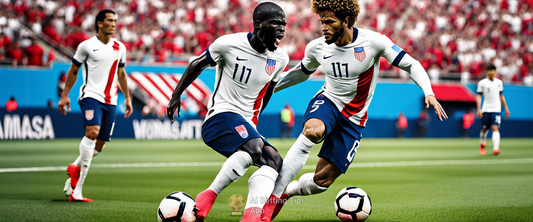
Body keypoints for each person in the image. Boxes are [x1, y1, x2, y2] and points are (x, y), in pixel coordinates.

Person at [261, 0, 448, 221]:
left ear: (346, 21)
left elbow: (411, 64)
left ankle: (288, 191)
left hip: (354, 119)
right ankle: (271, 201)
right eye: (322, 22)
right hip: (328, 101)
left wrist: (428, 91)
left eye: (329, 22)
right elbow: (302, 71)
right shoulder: (317, 47)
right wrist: (270, 88)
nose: (323, 27)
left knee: (322, 182)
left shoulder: (374, 42)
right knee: (313, 130)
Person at [166, 2, 289, 222]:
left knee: (274, 161)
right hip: (219, 117)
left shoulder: (280, 59)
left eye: (284, 25)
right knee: (254, 147)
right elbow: (197, 64)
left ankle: (250, 216)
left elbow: (268, 90)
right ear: (258, 24)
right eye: (275, 23)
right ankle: (208, 196)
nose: (281, 29)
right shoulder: (228, 44)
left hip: (245, 123)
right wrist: (176, 96)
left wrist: (255, 118)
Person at [58, 9, 132, 202]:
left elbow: (121, 73)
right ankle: (78, 190)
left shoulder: (120, 48)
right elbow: (73, 70)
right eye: (109, 20)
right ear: (99, 23)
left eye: (115, 20)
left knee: (99, 146)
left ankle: (75, 167)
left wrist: (127, 98)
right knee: (92, 132)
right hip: (90, 96)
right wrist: (65, 95)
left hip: (111, 101)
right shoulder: (86, 46)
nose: (114, 24)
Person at [476, 64, 510, 155]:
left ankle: (496, 149)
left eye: (492, 70)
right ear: (487, 72)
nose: (491, 72)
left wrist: (506, 108)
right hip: (486, 109)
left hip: (496, 109)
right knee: (484, 130)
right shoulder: (482, 83)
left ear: (495, 71)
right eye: (489, 70)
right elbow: (479, 96)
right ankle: (482, 143)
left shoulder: (499, 82)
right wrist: (479, 108)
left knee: (495, 128)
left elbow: (501, 95)